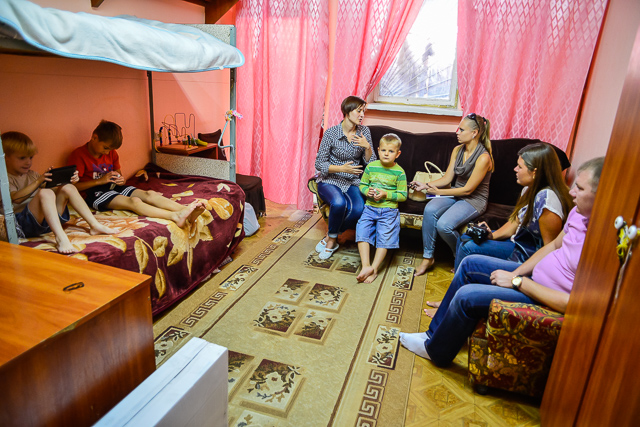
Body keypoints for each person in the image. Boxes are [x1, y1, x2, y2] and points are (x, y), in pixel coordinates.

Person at [399, 157, 604, 367]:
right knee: (470, 263)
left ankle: (436, 352)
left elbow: (572, 303)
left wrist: (518, 282)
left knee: (466, 295)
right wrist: (517, 273)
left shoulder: (603, 245)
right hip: (532, 278)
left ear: (602, 194)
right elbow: (551, 247)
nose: (572, 192)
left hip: (544, 296)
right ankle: (431, 334)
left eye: (580, 188)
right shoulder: (577, 214)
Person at [68, 120, 204, 227]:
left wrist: (120, 180)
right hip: (93, 194)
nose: (107, 152)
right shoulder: (79, 155)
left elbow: (119, 175)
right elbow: (72, 187)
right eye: (105, 148)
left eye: (110, 149)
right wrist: (100, 181)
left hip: (112, 186)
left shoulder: (111, 153)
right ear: (94, 137)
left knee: (150, 194)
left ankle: (185, 210)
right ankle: (175, 216)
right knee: (134, 201)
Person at [1, 131, 117, 254]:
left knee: (67, 187)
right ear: (5, 158)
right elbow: (16, 198)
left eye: (30, 158)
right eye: (22, 158)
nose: (28, 162)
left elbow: (53, 190)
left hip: (47, 222)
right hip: (21, 224)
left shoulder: (32, 174)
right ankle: (61, 238)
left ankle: (94, 225)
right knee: (45, 193)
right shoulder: (4, 178)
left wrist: (68, 181)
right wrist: (38, 182)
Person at [412, 113, 494, 276]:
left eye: (461, 130)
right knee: (430, 209)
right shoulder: (457, 150)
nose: (457, 132)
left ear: (474, 133)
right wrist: (425, 185)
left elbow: (468, 190)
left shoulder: (483, 158)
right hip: (456, 194)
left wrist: (439, 192)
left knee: (444, 225)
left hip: (473, 200)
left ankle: (460, 257)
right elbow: (447, 178)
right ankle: (428, 257)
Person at [314, 96, 376, 260]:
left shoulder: (364, 132)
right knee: (339, 203)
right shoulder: (331, 133)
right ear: (347, 111)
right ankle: (331, 242)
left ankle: (331, 236)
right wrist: (341, 168)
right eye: (359, 111)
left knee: (358, 209)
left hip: (352, 181)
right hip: (330, 179)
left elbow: (372, 164)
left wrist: (367, 147)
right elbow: (319, 164)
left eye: (363, 111)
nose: (362, 115)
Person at [356, 133, 407, 283]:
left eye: (391, 151)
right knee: (362, 231)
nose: (386, 154)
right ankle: (366, 266)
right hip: (370, 208)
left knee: (384, 238)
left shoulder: (399, 172)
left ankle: (374, 268)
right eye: (383, 150)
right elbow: (362, 185)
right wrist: (367, 192)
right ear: (378, 150)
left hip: (389, 211)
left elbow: (403, 195)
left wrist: (386, 194)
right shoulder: (371, 167)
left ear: (397, 154)